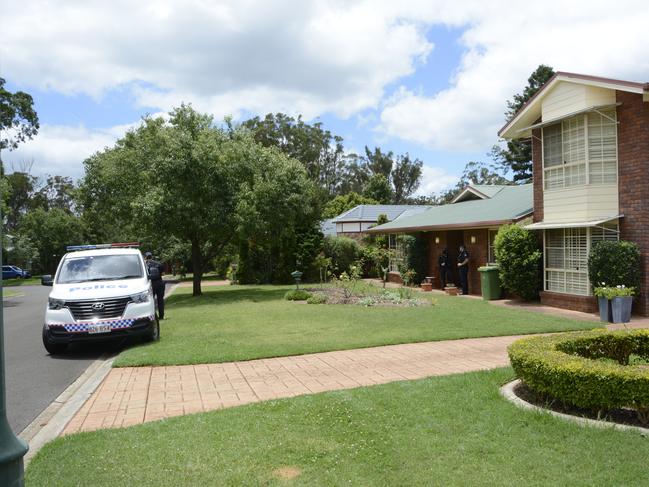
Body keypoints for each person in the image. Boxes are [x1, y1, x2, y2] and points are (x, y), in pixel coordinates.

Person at [145, 251, 165, 320]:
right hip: (159, 283)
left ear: (145, 257)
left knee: (151, 301)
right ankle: (161, 316)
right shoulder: (159, 264)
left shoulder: (145, 265)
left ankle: (152, 316)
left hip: (151, 285)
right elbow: (163, 274)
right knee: (160, 301)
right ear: (152, 256)